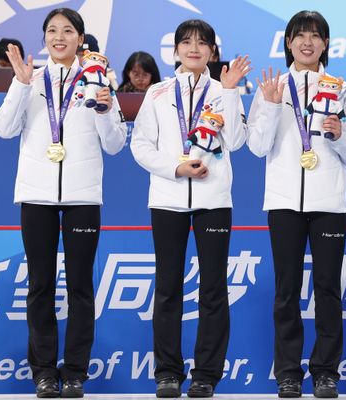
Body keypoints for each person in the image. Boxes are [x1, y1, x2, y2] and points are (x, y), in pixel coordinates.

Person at [0, 7, 127, 398]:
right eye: (52, 30)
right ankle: (44, 373)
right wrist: (19, 85)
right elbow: (3, 129)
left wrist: (105, 108)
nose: (59, 37)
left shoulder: (99, 80)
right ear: (45, 38)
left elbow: (115, 144)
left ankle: (76, 373)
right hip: (37, 195)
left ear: (80, 39)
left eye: (68, 30)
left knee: (80, 286)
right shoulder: (30, 79)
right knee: (40, 285)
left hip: (83, 195)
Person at [130, 18, 250, 399]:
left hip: (213, 199)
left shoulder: (224, 89)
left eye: (202, 43)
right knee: (168, 287)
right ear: (176, 50)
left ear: (213, 51)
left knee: (213, 288)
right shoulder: (158, 92)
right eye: (186, 42)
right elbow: (140, 145)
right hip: (168, 199)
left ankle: (206, 376)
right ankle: (167, 373)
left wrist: (230, 93)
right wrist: (175, 168)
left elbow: (237, 140)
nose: (194, 48)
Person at [247, 10, 346, 399]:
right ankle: (288, 373)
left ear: (326, 44)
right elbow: (257, 146)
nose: (307, 42)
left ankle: (326, 372)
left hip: (329, 202)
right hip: (283, 202)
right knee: (286, 290)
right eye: (300, 35)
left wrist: (339, 134)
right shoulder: (272, 86)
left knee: (327, 289)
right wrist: (268, 106)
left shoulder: (342, 89)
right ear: (288, 43)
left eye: (315, 36)